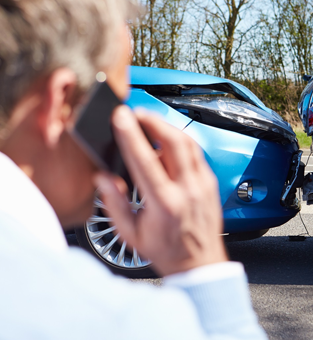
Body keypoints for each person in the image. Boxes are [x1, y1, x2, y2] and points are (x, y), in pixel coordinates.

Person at [0, 0, 267, 339]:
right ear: (61, 104)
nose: (119, 122)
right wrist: (202, 267)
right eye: (113, 102)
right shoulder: (107, 318)